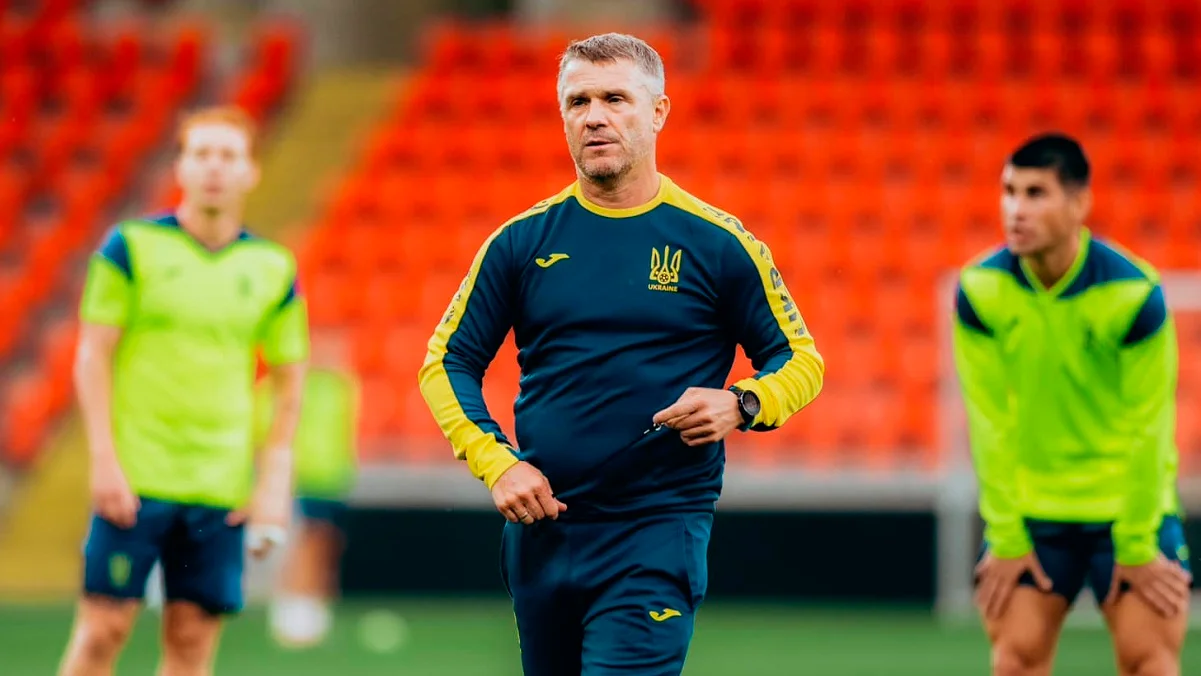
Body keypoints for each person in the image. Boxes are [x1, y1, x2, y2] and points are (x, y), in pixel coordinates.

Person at [417, 33, 824, 675]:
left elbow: (801, 359)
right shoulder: (520, 243)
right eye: (578, 102)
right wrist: (497, 464)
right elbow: (446, 362)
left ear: (658, 112)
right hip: (543, 531)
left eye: (615, 99)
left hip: (655, 532)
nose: (594, 117)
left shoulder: (718, 243)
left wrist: (744, 403)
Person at [59, 105, 309, 676]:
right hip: (134, 478)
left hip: (220, 488)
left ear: (251, 170)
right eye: (201, 154)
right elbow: (92, 356)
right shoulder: (130, 247)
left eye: (228, 155)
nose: (214, 167)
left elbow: (290, 381)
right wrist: (103, 460)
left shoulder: (273, 266)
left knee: (192, 641)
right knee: (102, 631)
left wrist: (272, 480)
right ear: (180, 166)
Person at [954, 132, 1192, 676]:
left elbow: (1149, 426)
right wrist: (1006, 535)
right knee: (1014, 660)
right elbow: (988, 423)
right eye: (1009, 191)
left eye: (1036, 193)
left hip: (1128, 510)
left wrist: (1137, 542)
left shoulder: (1133, 294)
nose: (1016, 209)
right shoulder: (980, 291)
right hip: (1033, 513)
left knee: (1150, 662)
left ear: (1080, 203)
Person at [261, 330, 359, 648]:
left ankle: (312, 603)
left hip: (334, 478)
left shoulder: (341, 387)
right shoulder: (284, 387)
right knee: (304, 541)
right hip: (301, 477)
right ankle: (291, 605)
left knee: (325, 541)